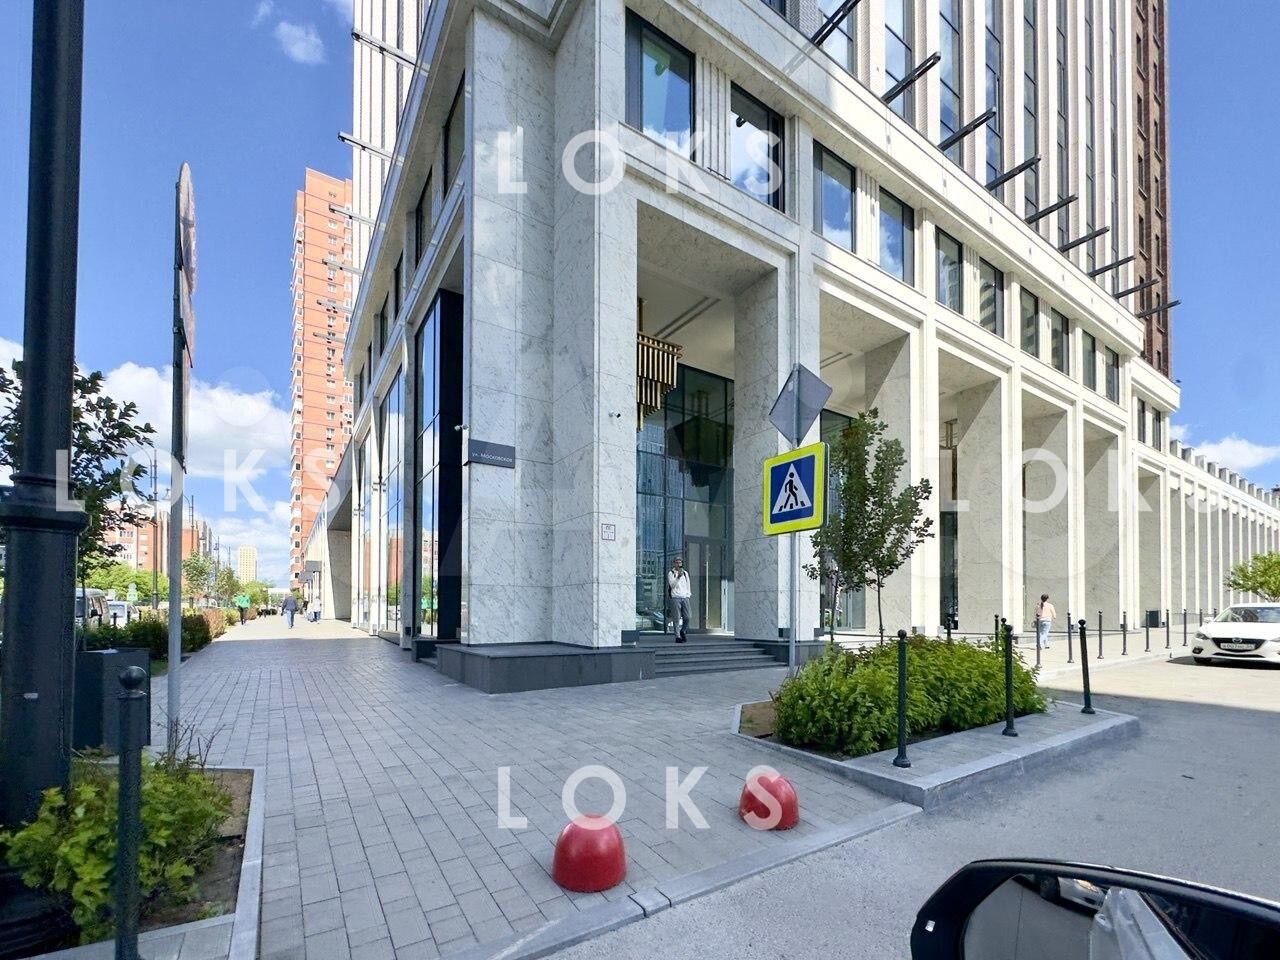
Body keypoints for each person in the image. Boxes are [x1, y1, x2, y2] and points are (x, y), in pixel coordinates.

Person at [667, 556, 691, 643]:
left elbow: (688, 585)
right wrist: (678, 577)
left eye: (680, 562)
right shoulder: (671, 573)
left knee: (687, 617)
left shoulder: (685, 573)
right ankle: (677, 636)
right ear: (674, 564)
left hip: (684, 597)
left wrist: (688, 594)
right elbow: (672, 585)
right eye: (677, 562)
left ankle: (683, 631)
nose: (678, 564)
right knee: (676, 617)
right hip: (675, 597)